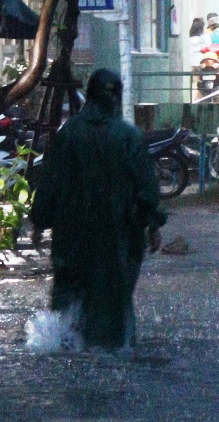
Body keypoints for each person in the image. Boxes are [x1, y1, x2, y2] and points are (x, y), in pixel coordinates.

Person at [29, 69, 165, 349]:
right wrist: (152, 225)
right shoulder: (129, 137)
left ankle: (66, 353)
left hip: (70, 239)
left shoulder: (67, 135)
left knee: (67, 310)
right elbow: (147, 190)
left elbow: (49, 182)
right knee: (113, 307)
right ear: (117, 98)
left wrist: (40, 221)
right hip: (116, 238)